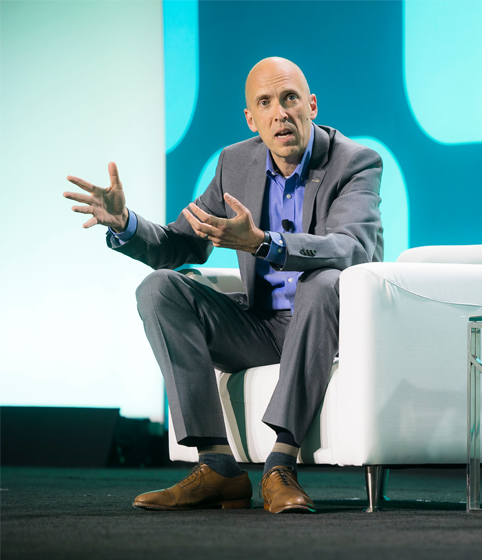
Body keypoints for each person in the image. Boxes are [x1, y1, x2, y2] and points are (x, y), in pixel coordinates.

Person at [63, 57, 383, 513]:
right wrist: (127, 224)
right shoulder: (236, 163)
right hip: (262, 327)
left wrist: (263, 243)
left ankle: (280, 466)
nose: (281, 114)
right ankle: (217, 467)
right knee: (159, 288)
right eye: (266, 103)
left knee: (321, 281)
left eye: (290, 99)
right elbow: (180, 244)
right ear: (252, 119)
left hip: (328, 328)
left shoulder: (355, 162)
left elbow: (350, 247)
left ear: (311, 105)